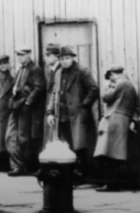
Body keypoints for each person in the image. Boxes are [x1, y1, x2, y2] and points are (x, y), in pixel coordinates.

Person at [47, 45, 99, 181]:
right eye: (62, 58)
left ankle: (84, 175)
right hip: (62, 116)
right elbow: (54, 94)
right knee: (68, 145)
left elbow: (93, 89)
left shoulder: (81, 71)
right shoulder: (58, 73)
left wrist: (84, 105)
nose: (65, 61)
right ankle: (73, 174)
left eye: (67, 58)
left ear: (72, 58)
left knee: (80, 146)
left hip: (78, 117)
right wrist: (50, 111)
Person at [94, 65, 140, 191]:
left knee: (108, 154)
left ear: (113, 74)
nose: (110, 78)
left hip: (112, 119)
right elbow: (136, 107)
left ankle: (109, 184)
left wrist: (106, 86)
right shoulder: (131, 86)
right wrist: (133, 121)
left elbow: (105, 97)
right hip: (124, 120)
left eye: (110, 76)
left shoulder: (117, 84)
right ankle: (115, 183)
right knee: (117, 154)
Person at [7, 47, 46, 176]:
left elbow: (39, 87)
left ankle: (25, 166)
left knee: (24, 138)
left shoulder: (35, 69)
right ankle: (18, 165)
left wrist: (29, 102)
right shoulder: (20, 69)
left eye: (22, 55)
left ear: (29, 55)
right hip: (16, 105)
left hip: (26, 107)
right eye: (18, 55)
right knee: (12, 136)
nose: (19, 57)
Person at [43, 43, 61, 145]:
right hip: (51, 108)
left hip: (57, 109)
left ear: (56, 56)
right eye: (46, 55)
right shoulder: (51, 70)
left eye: (49, 55)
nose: (46, 58)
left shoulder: (60, 70)